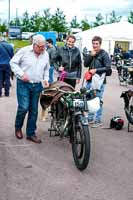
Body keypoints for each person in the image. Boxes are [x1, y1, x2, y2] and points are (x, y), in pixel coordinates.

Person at [10, 34, 50, 143]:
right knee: (23, 107)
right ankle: (18, 128)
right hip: (24, 84)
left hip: (37, 85)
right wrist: (21, 74)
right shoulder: (24, 51)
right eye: (41, 47)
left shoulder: (45, 54)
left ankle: (31, 133)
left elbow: (47, 68)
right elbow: (13, 63)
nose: (43, 49)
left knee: (34, 110)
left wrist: (46, 79)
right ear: (34, 45)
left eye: (44, 46)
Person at [84, 36, 112, 128]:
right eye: (93, 43)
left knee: (98, 100)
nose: (95, 45)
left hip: (99, 81)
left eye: (97, 44)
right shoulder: (91, 53)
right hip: (90, 80)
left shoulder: (104, 54)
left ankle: (98, 120)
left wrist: (96, 70)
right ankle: (91, 118)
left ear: (100, 44)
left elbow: (108, 67)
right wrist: (90, 56)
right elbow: (85, 64)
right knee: (90, 99)